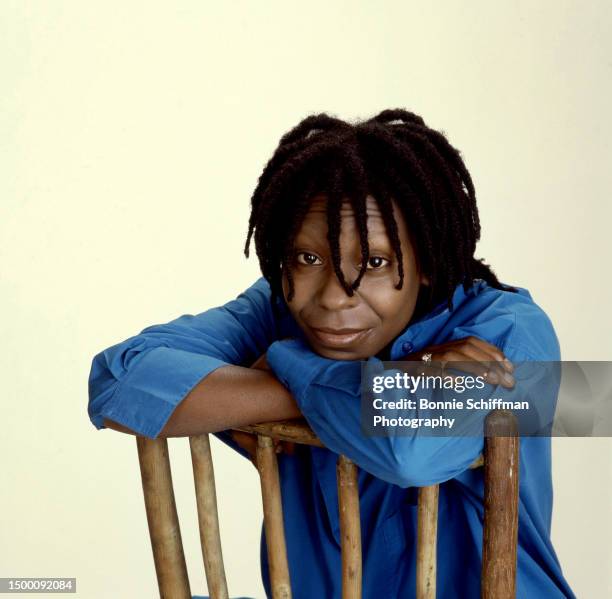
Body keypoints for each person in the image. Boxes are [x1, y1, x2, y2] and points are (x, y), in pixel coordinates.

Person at [88, 109, 576, 598]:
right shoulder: (278, 310)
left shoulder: (511, 333)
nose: (332, 297)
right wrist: (312, 391)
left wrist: (288, 364)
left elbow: (411, 452)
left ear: (427, 262)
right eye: (308, 258)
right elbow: (118, 383)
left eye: (376, 262)